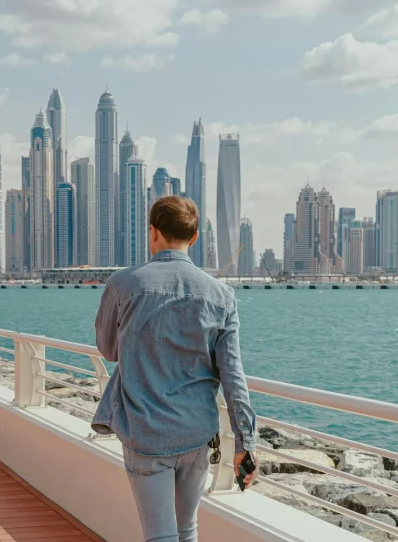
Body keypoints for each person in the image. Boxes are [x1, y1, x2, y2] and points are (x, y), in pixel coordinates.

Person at [91, 195, 258, 542]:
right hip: (197, 433)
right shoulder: (222, 295)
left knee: (160, 535)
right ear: (194, 237)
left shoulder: (123, 284)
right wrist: (245, 441)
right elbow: (232, 374)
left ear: (152, 232)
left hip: (145, 430)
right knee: (187, 529)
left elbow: (108, 350)